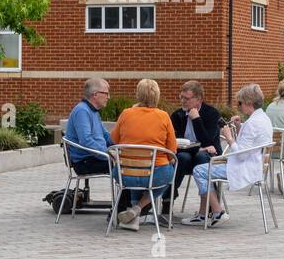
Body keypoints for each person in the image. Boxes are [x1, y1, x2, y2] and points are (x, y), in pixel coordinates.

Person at [188, 83, 273, 227]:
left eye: (240, 103)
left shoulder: (253, 123)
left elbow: (241, 155)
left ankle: (217, 211)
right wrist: (240, 127)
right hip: (256, 164)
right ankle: (204, 214)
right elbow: (249, 145)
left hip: (245, 166)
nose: (238, 107)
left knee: (199, 170)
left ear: (249, 103)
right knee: (208, 165)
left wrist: (229, 137)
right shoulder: (263, 118)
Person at [111, 79, 178, 231]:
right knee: (169, 175)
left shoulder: (126, 114)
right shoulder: (163, 116)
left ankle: (134, 217)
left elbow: (113, 140)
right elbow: (172, 150)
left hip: (124, 174)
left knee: (136, 167)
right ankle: (138, 208)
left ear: (138, 95)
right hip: (156, 174)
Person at [169, 80, 222, 196]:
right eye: (181, 97)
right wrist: (197, 149)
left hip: (209, 157)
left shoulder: (212, 114)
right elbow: (174, 142)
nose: (183, 101)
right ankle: (169, 198)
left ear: (199, 99)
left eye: (187, 99)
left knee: (201, 156)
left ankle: (210, 204)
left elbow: (208, 143)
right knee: (182, 157)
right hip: (186, 156)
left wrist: (196, 120)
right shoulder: (177, 115)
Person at [64, 78, 112, 202]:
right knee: (124, 166)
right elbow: (86, 140)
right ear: (95, 95)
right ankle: (123, 206)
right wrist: (108, 155)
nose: (109, 97)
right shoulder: (82, 111)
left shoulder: (93, 111)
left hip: (94, 158)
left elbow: (106, 135)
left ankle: (126, 205)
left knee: (127, 161)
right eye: (106, 93)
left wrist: (121, 147)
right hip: (84, 163)